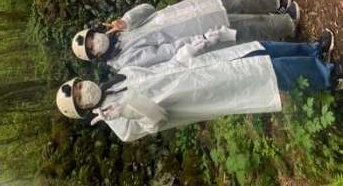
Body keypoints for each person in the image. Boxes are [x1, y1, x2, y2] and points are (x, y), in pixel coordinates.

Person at [56, 30, 340, 142]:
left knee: (258, 50)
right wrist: (128, 110)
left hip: (198, 67)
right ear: (83, 110)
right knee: (270, 73)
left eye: (79, 87)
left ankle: (312, 51)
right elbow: (157, 120)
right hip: (206, 91)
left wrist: (189, 50)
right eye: (80, 99)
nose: (84, 91)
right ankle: (330, 76)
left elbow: (164, 69)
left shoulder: (121, 76)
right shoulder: (121, 127)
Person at [71, 0, 300, 70]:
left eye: (92, 37)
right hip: (193, 35)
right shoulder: (123, 60)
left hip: (184, 13)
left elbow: (148, 8)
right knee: (243, 27)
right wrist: (199, 39)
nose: (96, 42)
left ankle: (276, 3)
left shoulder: (118, 32)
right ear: (96, 56)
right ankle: (286, 24)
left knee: (231, 2)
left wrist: (126, 21)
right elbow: (165, 53)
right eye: (92, 48)